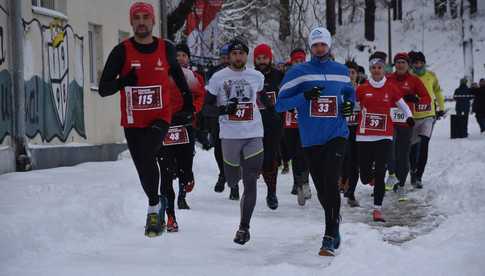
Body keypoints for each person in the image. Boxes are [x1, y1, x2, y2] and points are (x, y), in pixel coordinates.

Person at [98, 2, 193, 237]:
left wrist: (188, 102)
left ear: (153, 21)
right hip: (133, 121)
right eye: (137, 17)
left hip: (160, 117)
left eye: (145, 17)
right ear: (131, 22)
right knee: (142, 163)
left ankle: (153, 209)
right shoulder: (122, 51)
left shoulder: (166, 49)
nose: (141, 21)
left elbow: (179, 77)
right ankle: (155, 202)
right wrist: (123, 81)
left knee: (148, 153)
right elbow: (103, 88)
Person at [276, 27, 355, 256]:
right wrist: (304, 97)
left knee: (331, 181)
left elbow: (349, 93)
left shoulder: (341, 71)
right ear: (311, 47)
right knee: (323, 190)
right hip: (311, 139)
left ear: (329, 46)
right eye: (315, 45)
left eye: (323, 44)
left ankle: (329, 236)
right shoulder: (299, 72)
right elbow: (281, 104)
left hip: (337, 134)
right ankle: (335, 221)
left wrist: (349, 105)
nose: (320, 48)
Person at [204, 38, 265, 245]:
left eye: (242, 53)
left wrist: (274, 110)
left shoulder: (257, 76)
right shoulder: (218, 77)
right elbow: (205, 108)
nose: (238, 57)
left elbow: (265, 100)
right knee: (232, 180)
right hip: (229, 136)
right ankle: (231, 179)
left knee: (250, 181)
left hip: (254, 133)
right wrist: (223, 110)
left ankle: (244, 227)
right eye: (234, 53)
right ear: (228, 56)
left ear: (246, 56)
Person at [356, 54, 414, 222]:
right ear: (370, 70)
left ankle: (377, 209)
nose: (376, 70)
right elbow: (351, 103)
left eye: (379, 67)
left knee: (381, 171)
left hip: (384, 135)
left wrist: (409, 117)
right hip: (364, 136)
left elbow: (402, 104)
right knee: (364, 176)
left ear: (384, 70)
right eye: (373, 68)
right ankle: (371, 178)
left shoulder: (391, 88)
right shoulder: (362, 88)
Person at [157, 61, 205, 232]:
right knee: (166, 174)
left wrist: (193, 110)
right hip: (163, 128)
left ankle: (187, 178)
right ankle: (170, 216)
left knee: (185, 169)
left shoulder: (187, 75)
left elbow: (200, 95)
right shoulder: (156, 74)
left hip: (184, 126)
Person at [386, 52, 431, 200]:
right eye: (397, 62)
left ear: (408, 65)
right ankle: (391, 175)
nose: (400, 65)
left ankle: (401, 184)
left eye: (403, 63)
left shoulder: (414, 80)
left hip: (406, 121)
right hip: (389, 121)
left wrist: (416, 99)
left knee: (403, 154)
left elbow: (427, 98)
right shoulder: (388, 79)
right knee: (390, 150)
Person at [253, 43, 284, 209]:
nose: (262, 61)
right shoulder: (250, 75)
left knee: (270, 159)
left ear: (270, 58)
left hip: (273, 124)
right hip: (253, 124)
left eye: (264, 58)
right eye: (258, 58)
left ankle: (272, 192)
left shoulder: (279, 75)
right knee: (253, 158)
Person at [409, 51, 445, 188]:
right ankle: (412, 170)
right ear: (412, 64)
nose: (418, 65)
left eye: (420, 62)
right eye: (415, 63)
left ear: (424, 63)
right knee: (412, 148)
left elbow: (438, 91)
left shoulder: (431, 76)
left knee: (424, 145)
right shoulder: (410, 77)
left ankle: (419, 176)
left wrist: (441, 107)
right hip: (413, 116)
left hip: (428, 116)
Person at [281, 48, 312, 205]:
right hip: (290, 121)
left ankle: (304, 182)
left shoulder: (310, 78)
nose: (299, 64)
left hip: (306, 121)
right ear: (291, 62)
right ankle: (298, 183)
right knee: (294, 154)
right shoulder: (287, 78)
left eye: (301, 61)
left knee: (303, 153)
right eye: (296, 61)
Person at [203, 43, 233, 196]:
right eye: (223, 57)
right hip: (218, 116)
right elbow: (207, 99)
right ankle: (222, 174)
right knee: (219, 149)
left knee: (235, 150)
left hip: (236, 117)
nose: (226, 60)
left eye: (228, 57)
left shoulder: (241, 72)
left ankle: (234, 184)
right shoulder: (213, 73)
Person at [341, 59, 361, 207]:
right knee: (343, 158)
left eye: (352, 72)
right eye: (347, 72)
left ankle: (351, 192)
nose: (350, 75)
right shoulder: (339, 89)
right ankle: (342, 182)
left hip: (358, 130)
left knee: (355, 162)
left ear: (357, 75)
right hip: (342, 129)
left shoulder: (362, 89)